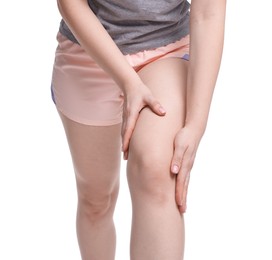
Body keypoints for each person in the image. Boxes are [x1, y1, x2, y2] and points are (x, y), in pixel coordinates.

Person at [51, 0, 226, 259]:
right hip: (88, 49)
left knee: (155, 170)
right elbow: (71, 4)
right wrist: (128, 82)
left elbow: (209, 12)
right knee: (96, 200)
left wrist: (196, 123)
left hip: (165, 49)